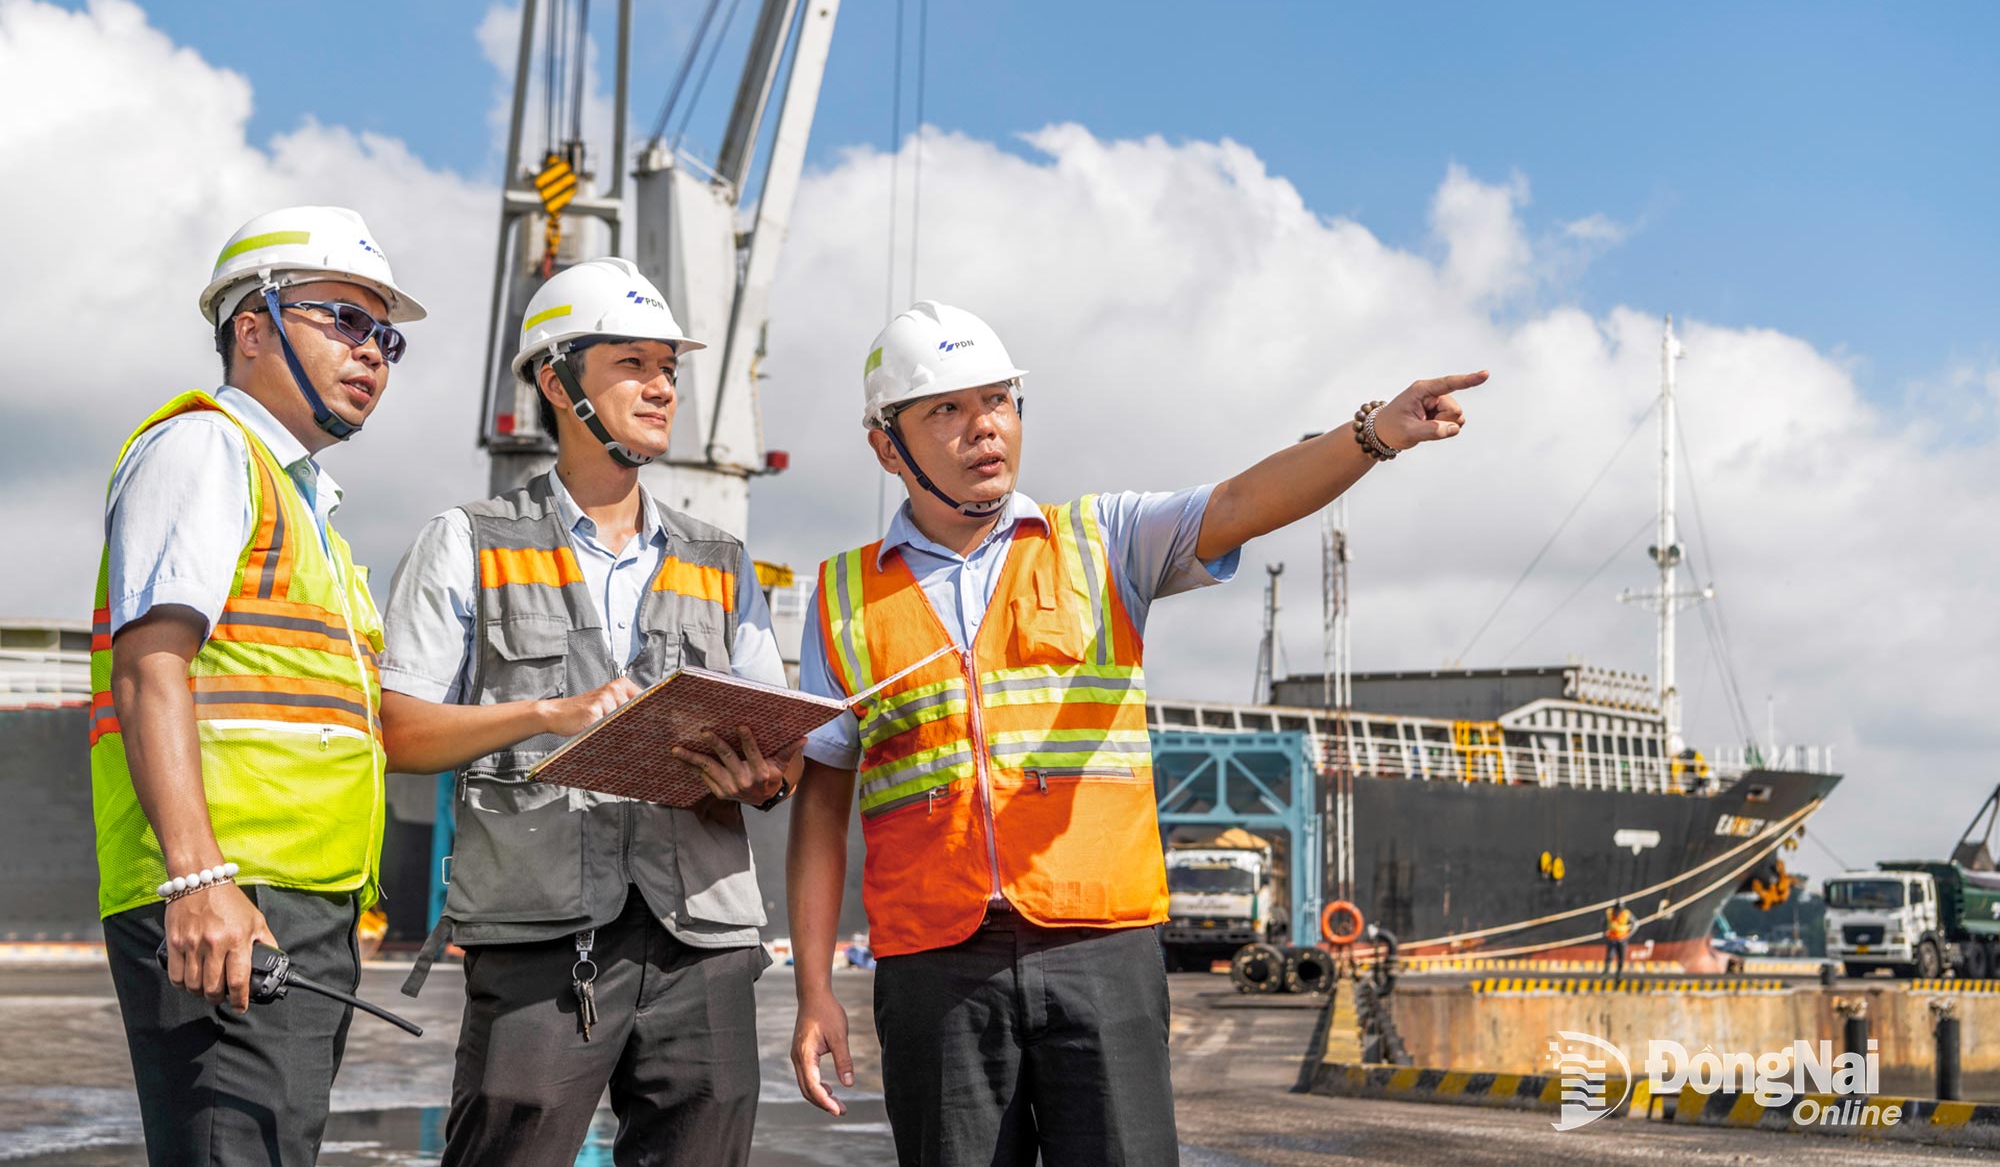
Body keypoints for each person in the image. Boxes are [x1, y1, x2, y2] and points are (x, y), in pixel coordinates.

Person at [787, 300, 1486, 1164]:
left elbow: (1238, 501)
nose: (984, 428)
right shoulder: (842, 595)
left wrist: (1373, 434)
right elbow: (821, 803)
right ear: (885, 444)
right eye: (946, 409)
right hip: (936, 968)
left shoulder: (1100, 540)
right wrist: (814, 986)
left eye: (999, 401)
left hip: (1101, 948)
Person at [379, 257, 801, 1166]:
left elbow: (784, 750)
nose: (660, 387)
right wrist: (546, 710)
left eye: (669, 369)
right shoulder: (465, 543)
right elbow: (399, 731)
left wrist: (765, 776)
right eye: (633, 364)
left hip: (704, 940)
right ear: (556, 379)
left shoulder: (721, 560)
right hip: (538, 937)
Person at [92, 206, 424, 1164]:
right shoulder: (203, 451)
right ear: (252, 326)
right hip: (222, 901)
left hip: (294, 907)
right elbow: (150, 666)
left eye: (387, 336)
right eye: (347, 322)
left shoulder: (312, 512)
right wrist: (199, 879)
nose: (374, 355)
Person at [1604, 900, 1636, 975]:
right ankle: (1605, 973)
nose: (1618, 911)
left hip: (1622, 939)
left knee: (1621, 958)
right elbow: (1604, 923)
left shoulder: (1626, 914)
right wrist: (1604, 932)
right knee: (1609, 957)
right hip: (1612, 939)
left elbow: (1635, 924)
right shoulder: (1609, 913)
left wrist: (1629, 935)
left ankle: (1619, 974)